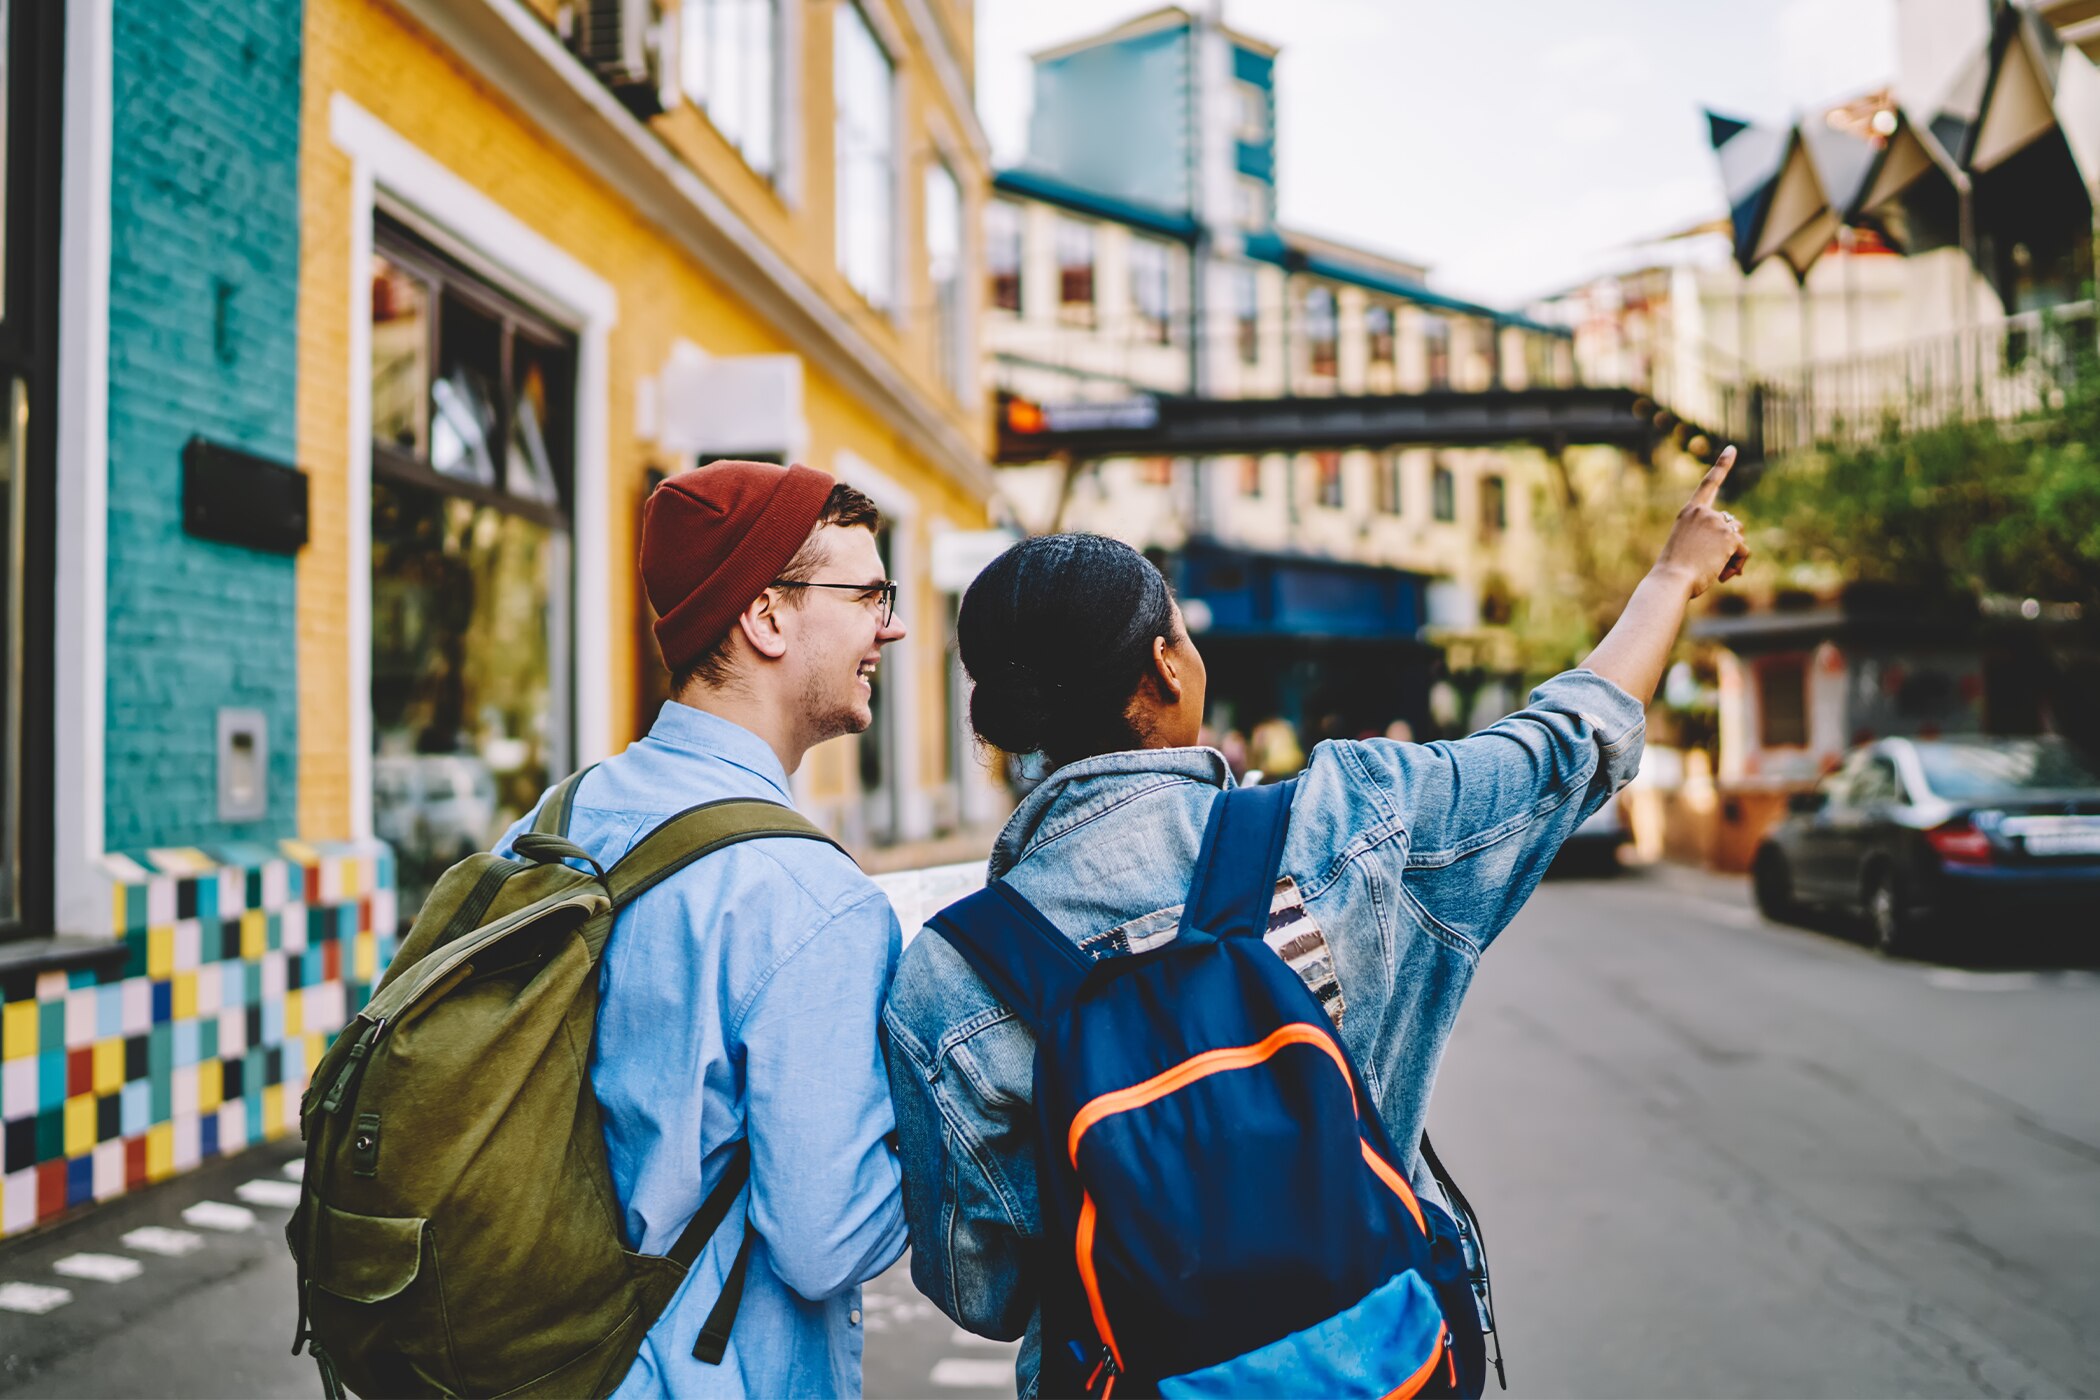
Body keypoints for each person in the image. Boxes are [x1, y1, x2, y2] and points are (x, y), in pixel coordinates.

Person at [882, 449, 1750, 1393]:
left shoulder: (951, 975)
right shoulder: (1351, 815)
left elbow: (987, 1290)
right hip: (1378, 1361)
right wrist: (1672, 575)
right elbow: (1564, 747)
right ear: (1168, 668)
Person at [496, 459, 910, 1397]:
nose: (888, 624)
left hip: (531, 1363)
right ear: (767, 617)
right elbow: (825, 1237)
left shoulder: (555, 819)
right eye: (867, 594)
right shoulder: (810, 898)